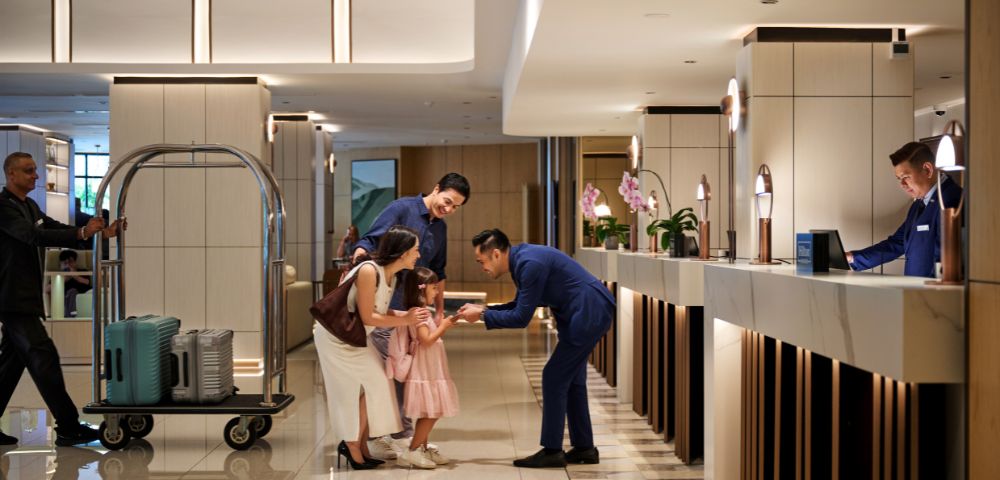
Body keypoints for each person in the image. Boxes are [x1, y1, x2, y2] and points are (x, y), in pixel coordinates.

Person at [458, 229, 615, 468]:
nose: (482, 268)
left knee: (553, 376)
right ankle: (584, 448)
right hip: (586, 311)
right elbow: (519, 305)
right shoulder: (522, 261)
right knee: (572, 380)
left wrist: (482, 315)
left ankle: (553, 450)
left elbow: (521, 317)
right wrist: (484, 309)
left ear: (497, 254)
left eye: (482, 261)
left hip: (588, 312)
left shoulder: (528, 264)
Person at [0, 152, 126, 446]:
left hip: (25, 297)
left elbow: (53, 229)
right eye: (29, 171)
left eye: (35, 171)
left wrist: (100, 233)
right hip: (12, 299)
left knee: (10, 365)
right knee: (44, 358)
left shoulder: (28, 205)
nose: (35, 176)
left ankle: (69, 426)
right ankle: (68, 426)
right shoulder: (3, 208)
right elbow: (32, 236)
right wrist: (82, 230)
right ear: (11, 175)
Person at [351, 172, 470, 456]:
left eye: (456, 207)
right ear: (436, 188)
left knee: (406, 372)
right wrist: (357, 269)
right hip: (385, 307)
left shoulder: (440, 228)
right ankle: (375, 436)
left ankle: (398, 434)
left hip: (414, 312)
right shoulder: (402, 208)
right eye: (448, 201)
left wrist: (439, 309)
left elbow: (438, 272)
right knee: (385, 374)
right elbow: (368, 242)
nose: (449, 209)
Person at [313, 225, 430, 470]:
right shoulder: (369, 271)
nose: (418, 255)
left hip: (353, 337)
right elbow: (368, 318)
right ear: (402, 252)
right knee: (353, 390)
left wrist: (405, 314)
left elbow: (376, 311)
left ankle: (359, 444)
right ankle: (354, 445)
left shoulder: (391, 275)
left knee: (378, 383)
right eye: (415, 250)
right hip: (336, 339)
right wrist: (405, 320)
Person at [847, 142, 963, 277]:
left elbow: (945, 259)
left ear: (927, 170)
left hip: (934, 294)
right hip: (917, 293)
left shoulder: (950, 199)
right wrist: (852, 257)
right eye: (899, 179)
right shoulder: (918, 204)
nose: (902, 184)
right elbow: (897, 243)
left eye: (905, 177)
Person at [394, 267, 459, 469]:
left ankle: (421, 448)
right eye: (433, 288)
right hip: (425, 370)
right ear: (421, 290)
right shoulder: (419, 313)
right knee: (432, 411)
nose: (437, 292)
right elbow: (426, 340)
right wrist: (445, 326)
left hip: (431, 368)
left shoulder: (423, 312)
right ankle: (412, 451)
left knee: (430, 410)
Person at [58, 250, 91, 317]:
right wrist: (63, 280)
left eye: (70, 262)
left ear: (75, 262)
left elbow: (87, 282)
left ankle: (70, 317)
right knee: (72, 292)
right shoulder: (58, 276)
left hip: (82, 297)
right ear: (60, 265)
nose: (68, 265)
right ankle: (71, 317)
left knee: (73, 291)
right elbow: (46, 289)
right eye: (65, 263)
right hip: (65, 299)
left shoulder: (83, 271)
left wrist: (75, 276)